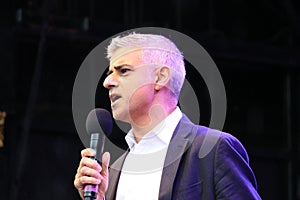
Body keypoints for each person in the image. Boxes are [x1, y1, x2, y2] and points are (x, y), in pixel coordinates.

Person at [74, 33, 261, 200]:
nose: (108, 82)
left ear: (160, 77)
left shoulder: (212, 150)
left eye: (123, 71)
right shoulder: (114, 172)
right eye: (109, 73)